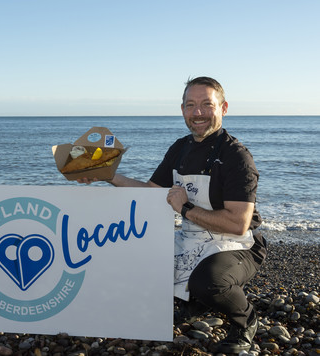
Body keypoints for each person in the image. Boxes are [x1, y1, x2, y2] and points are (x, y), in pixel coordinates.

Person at [80, 76, 267, 354]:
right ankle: (194, 304)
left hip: (238, 245)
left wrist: (185, 208)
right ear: (182, 110)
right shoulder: (180, 149)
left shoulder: (236, 157)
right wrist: (107, 175)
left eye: (207, 104)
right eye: (191, 105)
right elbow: (150, 191)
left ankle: (245, 322)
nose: (198, 113)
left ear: (223, 108)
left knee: (209, 283)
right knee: (136, 266)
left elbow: (238, 224)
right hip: (191, 238)